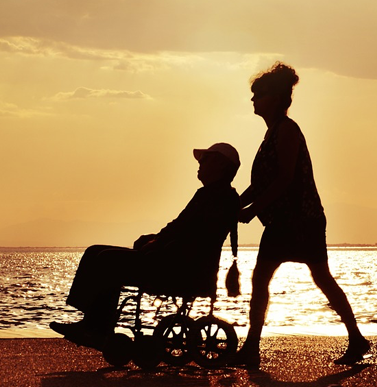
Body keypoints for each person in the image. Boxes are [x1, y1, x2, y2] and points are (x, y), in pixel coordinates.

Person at [234, 62, 370, 367]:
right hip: (281, 221)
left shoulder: (287, 131)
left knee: (319, 278)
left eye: (259, 95)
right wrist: (234, 205)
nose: (253, 100)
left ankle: (355, 338)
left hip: (301, 220)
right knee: (265, 279)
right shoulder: (270, 134)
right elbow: (259, 185)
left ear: (277, 98)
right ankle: (252, 347)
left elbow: (284, 178)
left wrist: (252, 210)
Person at [50, 143, 241, 349]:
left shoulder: (219, 198)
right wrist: (155, 239)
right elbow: (180, 227)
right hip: (171, 258)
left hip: (178, 267)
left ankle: (96, 328)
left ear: (220, 166)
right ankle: (91, 322)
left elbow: (192, 236)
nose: (199, 164)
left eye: (205, 159)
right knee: (94, 251)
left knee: (106, 259)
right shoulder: (209, 194)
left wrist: (157, 243)